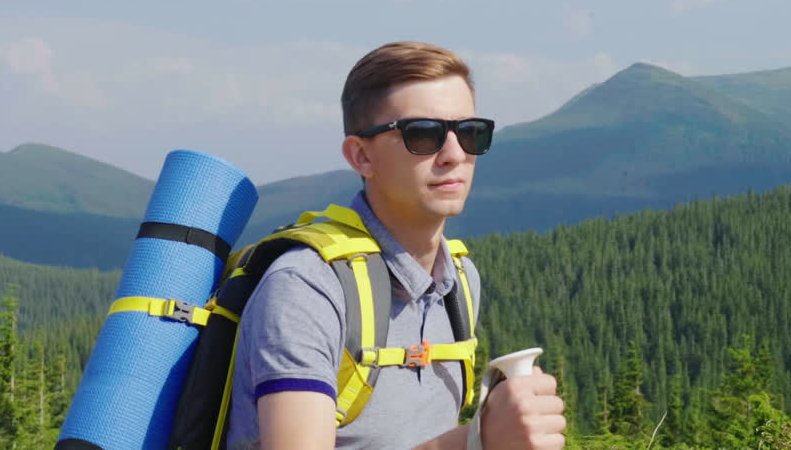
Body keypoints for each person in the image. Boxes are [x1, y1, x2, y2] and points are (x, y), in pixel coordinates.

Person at [224, 41, 567, 449]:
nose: (454, 154)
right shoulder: (306, 287)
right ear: (361, 156)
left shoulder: (458, 281)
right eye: (423, 134)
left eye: (471, 133)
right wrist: (477, 440)